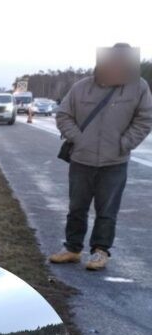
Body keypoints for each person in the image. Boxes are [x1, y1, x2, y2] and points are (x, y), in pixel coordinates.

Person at [49, 43, 152, 271]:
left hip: (115, 162)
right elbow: (63, 115)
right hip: (81, 160)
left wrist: (124, 143)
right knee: (77, 208)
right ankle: (72, 248)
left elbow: (145, 119)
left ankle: (100, 251)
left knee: (107, 211)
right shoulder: (81, 87)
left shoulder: (139, 88)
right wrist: (78, 138)